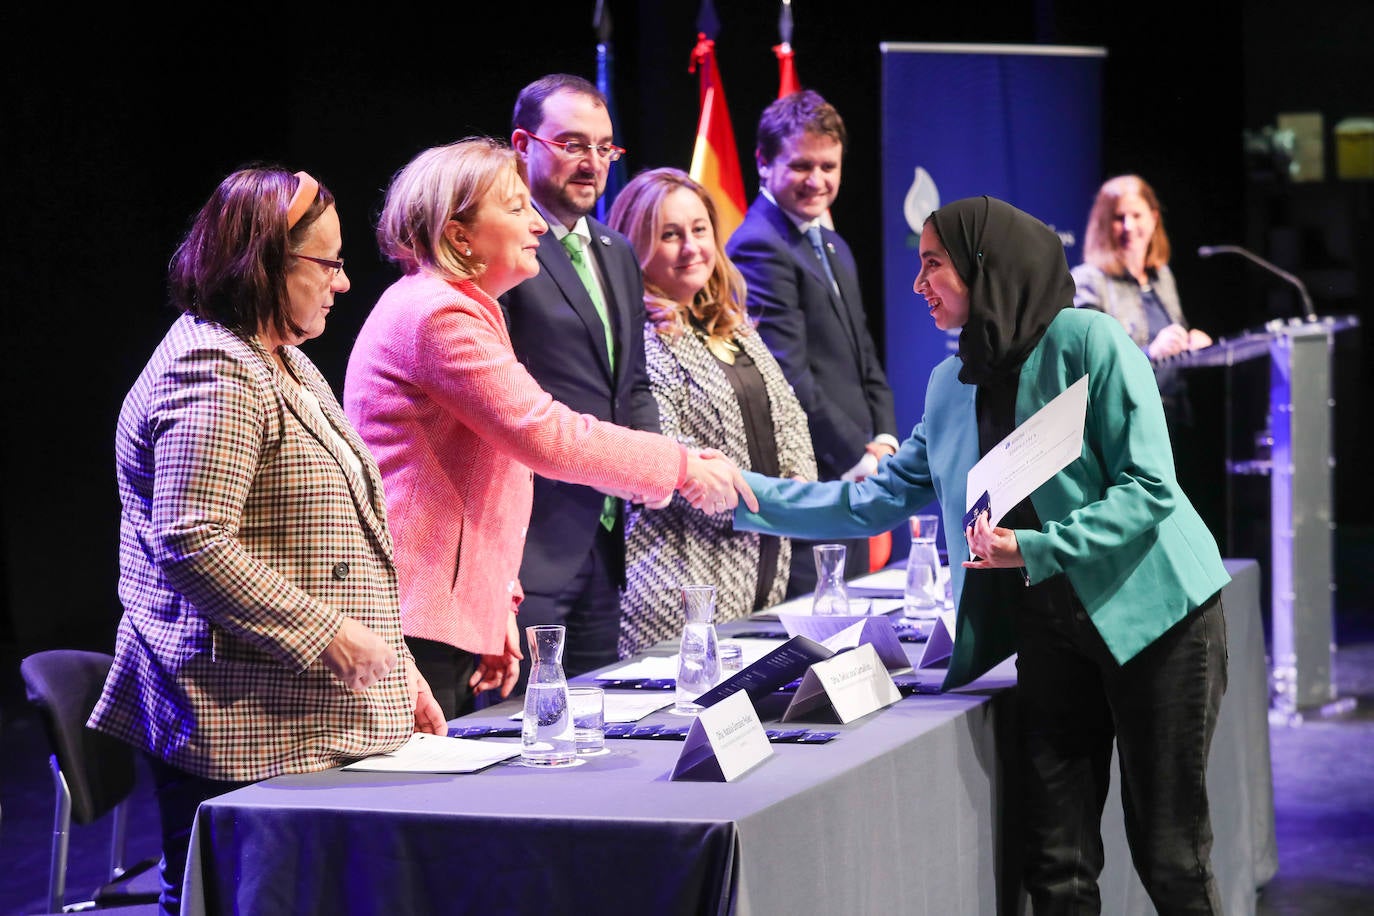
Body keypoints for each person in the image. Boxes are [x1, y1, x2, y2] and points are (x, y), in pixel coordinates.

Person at [734, 196, 1231, 913]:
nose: (918, 283)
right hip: (1052, 628)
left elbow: (1149, 489)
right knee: (1056, 865)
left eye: (933, 263)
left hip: (1157, 618)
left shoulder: (1090, 342)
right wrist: (743, 495)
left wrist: (1033, 546)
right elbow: (869, 502)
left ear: (982, 267)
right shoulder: (948, 384)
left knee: (1171, 859)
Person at [89, 167, 446, 915]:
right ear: (265, 264)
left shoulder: (277, 356)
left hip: (300, 712)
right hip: (242, 721)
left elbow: (349, 539)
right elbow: (192, 540)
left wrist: (399, 667)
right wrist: (328, 636)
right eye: (329, 263)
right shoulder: (213, 368)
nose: (343, 283)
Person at [343, 138, 756, 720]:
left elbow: (492, 476)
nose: (537, 222)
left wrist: (495, 609)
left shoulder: (459, 306)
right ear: (460, 236)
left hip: (440, 617)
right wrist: (682, 466)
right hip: (413, 620)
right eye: (515, 208)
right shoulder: (439, 314)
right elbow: (545, 436)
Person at [606, 167, 817, 656]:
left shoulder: (734, 325)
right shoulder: (641, 337)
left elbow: (791, 424)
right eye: (670, 235)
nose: (692, 248)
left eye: (700, 230)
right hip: (676, 583)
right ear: (636, 246)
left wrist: (800, 499)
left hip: (762, 565)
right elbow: (665, 454)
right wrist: (771, 503)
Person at [500, 74, 660, 680]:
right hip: (530, 545)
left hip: (609, 541)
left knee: (591, 734)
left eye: (604, 148)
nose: (592, 163)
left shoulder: (617, 250)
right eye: (572, 144)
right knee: (519, 740)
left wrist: (654, 473)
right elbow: (508, 398)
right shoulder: (506, 249)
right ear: (523, 145)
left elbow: (633, 385)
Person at [725, 89, 899, 595]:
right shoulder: (758, 245)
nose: (818, 181)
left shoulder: (833, 243)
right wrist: (860, 458)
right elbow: (789, 375)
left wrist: (885, 442)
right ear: (763, 161)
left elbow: (865, 354)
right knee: (821, 643)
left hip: (860, 473)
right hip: (816, 480)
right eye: (802, 165)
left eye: (829, 166)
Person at [1071, 174, 1213, 430]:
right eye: (1118, 217)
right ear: (1103, 224)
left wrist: (1192, 345)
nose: (1128, 226)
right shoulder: (1088, 281)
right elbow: (1091, 364)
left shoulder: (1162, 276)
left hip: (1175, 419)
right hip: (1124, 423)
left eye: (1136, 216)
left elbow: (1174, 346)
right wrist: (1150, 353)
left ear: (1154, 218)